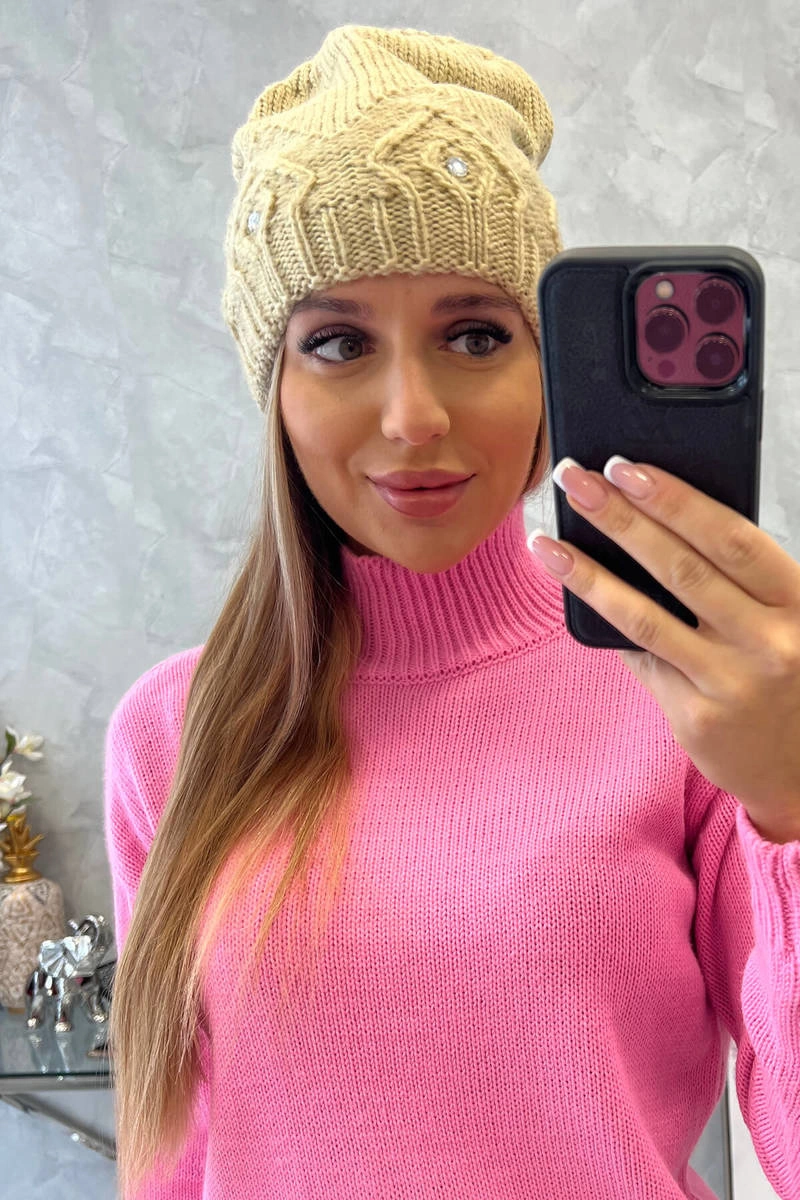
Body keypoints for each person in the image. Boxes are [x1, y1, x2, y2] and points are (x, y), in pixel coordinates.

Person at [103, 24, 800, 1200]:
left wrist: (788, 801)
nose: (412, 416)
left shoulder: (690, 696)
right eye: (337, 342)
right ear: (273, 388)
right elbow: (171, 1158)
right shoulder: (173, 734)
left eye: (474, 334)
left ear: (551, 370)